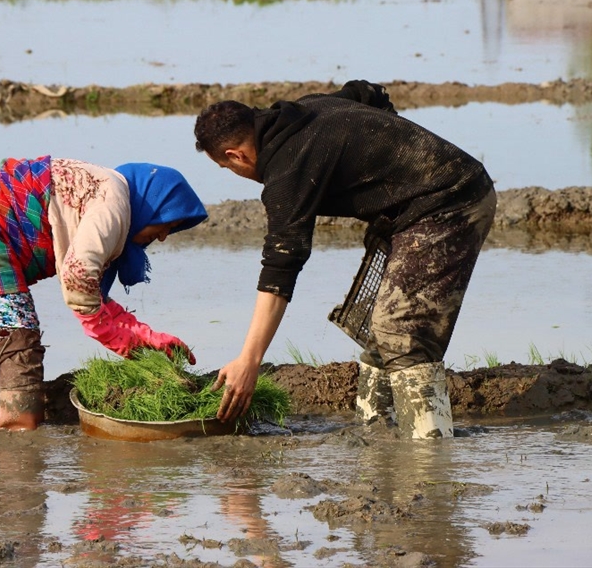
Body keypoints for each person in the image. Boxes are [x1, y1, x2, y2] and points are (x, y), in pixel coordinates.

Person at [193, 80, 496, 439]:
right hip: (425, 204)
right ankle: (376, 440)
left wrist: (249, 360)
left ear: (236, 156)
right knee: (381, 333)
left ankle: (429, 456)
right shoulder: (306, 109)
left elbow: (280, 267)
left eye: (227, 168)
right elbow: (368, 93)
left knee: (402, 335)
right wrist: (392, 170)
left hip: (452, 200)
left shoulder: (287, 171)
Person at [0, 154, 208, 431]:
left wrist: (146, 339)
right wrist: (120, 339)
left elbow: (92, 294)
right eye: (167, 224)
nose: (162, 236)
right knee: (18, 341)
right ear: (152, 205)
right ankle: (19, 444)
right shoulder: (113, 204)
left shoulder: (108, 190)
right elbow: (79, 278)